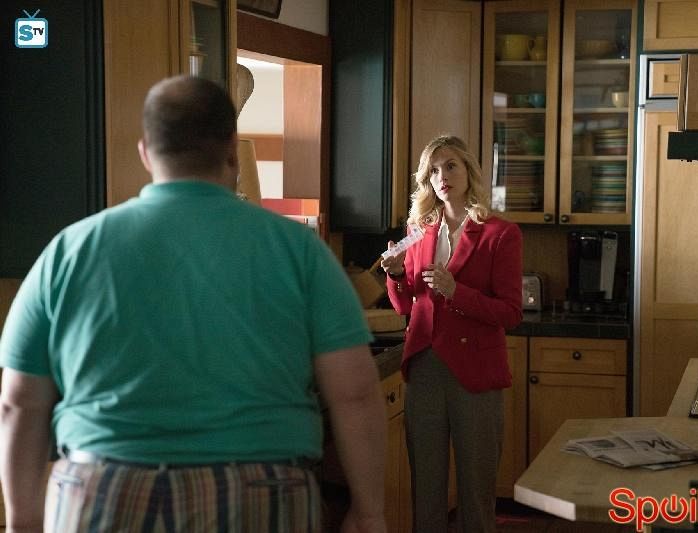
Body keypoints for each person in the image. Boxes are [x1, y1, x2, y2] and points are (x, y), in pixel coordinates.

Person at [0, 75, 386, 533]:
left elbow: (19, 403)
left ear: (146, 151)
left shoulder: (71, 250)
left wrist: (22, 520)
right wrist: (369, 511)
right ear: (232, 150)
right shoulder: (298, 250)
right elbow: (354, 392)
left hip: (101, 488)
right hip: (260, 490)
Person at [380, 135, 522, 532]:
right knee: (425, 490)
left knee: (476, 491)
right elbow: (405, 305)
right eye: (433, 170)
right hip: (425, 366)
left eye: (451, 165)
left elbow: (510, 313)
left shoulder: (501, 233)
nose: (442, 176)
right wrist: (395, 274)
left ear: (468, 171)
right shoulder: (416, 230)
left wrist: (457, 292)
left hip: (475, 371)